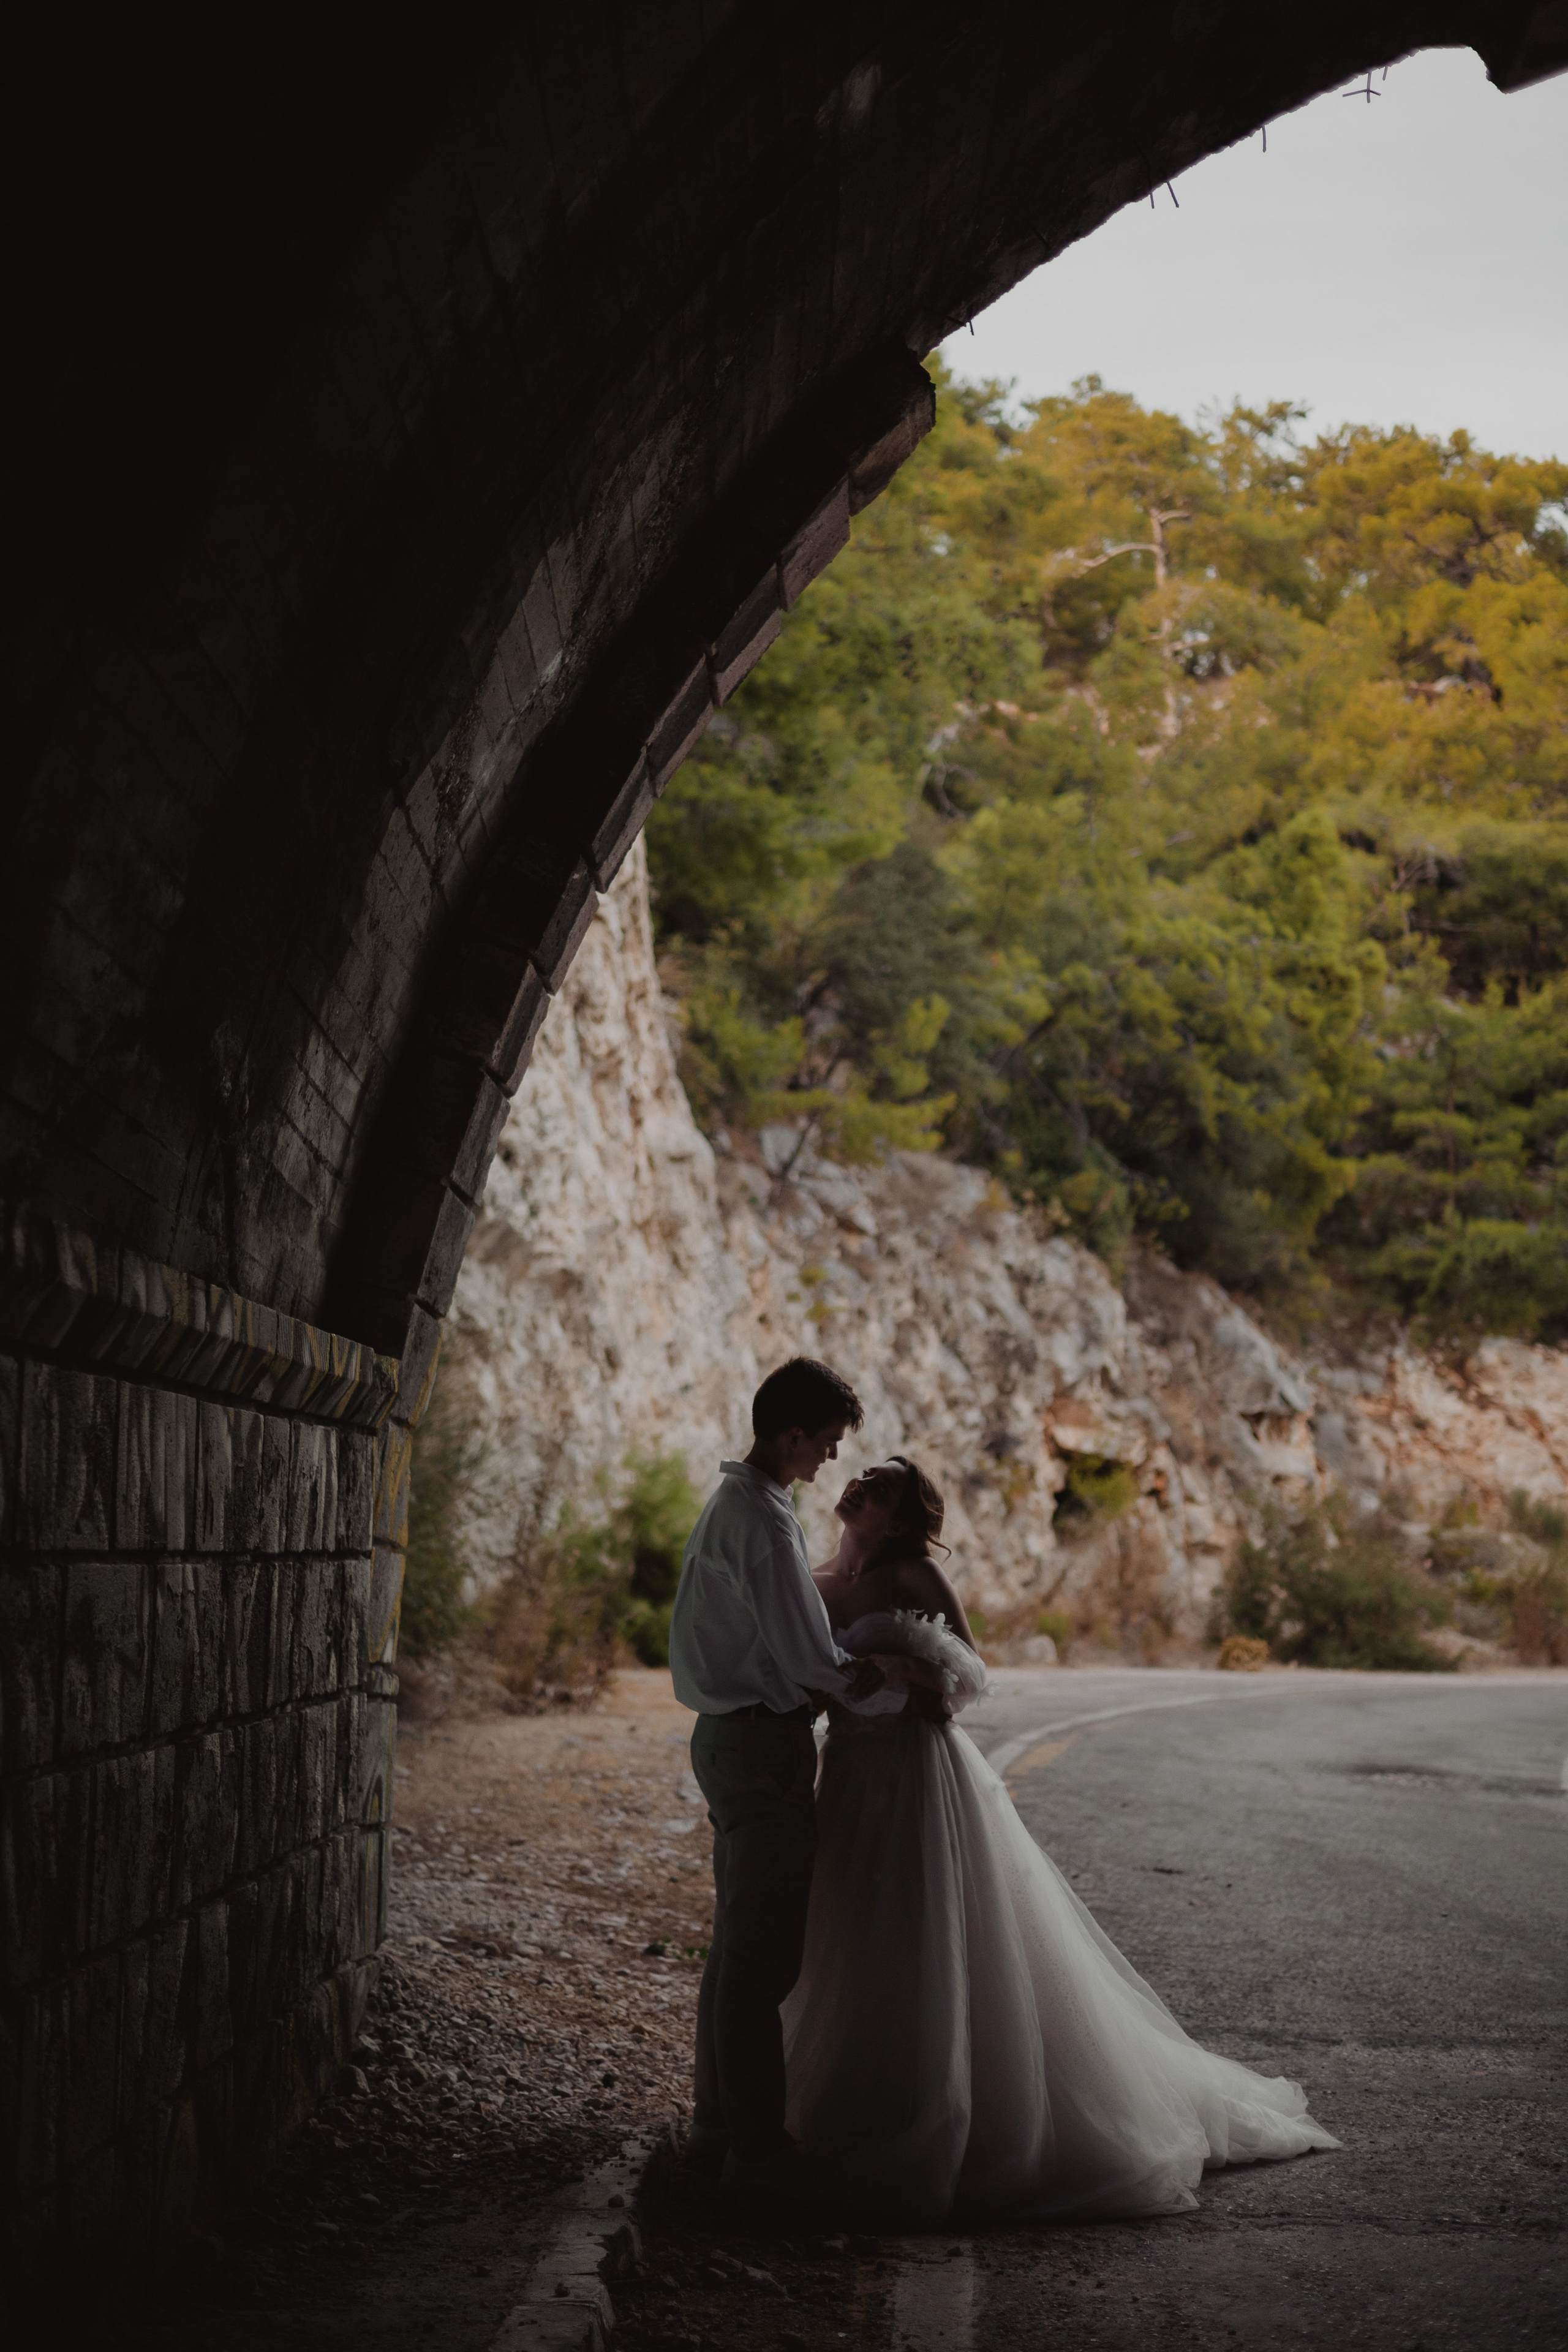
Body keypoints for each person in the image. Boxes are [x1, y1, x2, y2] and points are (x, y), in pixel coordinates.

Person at [783, 1454, 1341, 2225]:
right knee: (849, 1934)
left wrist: (896, 1671)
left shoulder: (916, 1579)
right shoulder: (813, 1580)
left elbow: (968, 1681)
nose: (857, 1485)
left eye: (878, 1486)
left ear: (904, 1519)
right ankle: (848, 2106)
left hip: (917, 1778)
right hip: (844, 1775)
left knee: (922, 1937)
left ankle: (943, 2113)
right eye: (861, 1477)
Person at [668, 1357, 919, 2203]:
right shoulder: (766, 1522)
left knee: (735, 1949)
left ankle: (716, 2128)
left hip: (728, 1740)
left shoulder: (742, 1504)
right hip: (759, 1747)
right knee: (761, 1962)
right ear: (791, 1435)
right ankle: (759, 2154)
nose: (831, 1461)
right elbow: (809, 1657)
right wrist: (883, 1685)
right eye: (828, 1443)